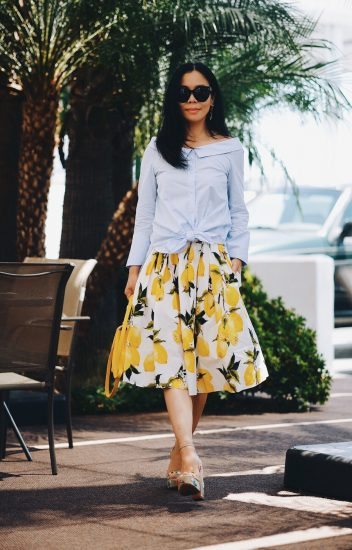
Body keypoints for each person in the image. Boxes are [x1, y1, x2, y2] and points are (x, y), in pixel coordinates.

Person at [123, 61, 269, 500]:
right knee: (172, 363)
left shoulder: (230, 150)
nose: (192, 99)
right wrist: (134, 271)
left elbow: (238, 212)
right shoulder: (156, 148)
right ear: (174, 98)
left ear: (213, 98)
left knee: (203, 366)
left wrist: (236, 265)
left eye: (201, 92)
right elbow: (144, 216)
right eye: (184, 92)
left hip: (212, 268)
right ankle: (189, 454)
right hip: (164, 268)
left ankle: (180, 457)